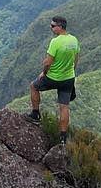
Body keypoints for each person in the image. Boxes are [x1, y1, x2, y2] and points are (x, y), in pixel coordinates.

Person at [29, 15, 81, 145]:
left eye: (52, 26)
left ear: (60, 27)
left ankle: (35, 114)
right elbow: (76, 59)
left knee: (34, 86)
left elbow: (48, 62)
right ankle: (63, 137)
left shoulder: (55, 42)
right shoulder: (74, 40)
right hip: (68, 78)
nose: (51, 28)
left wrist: (44, 73)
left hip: (53, 77)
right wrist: (71, 71)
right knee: (64, 107)